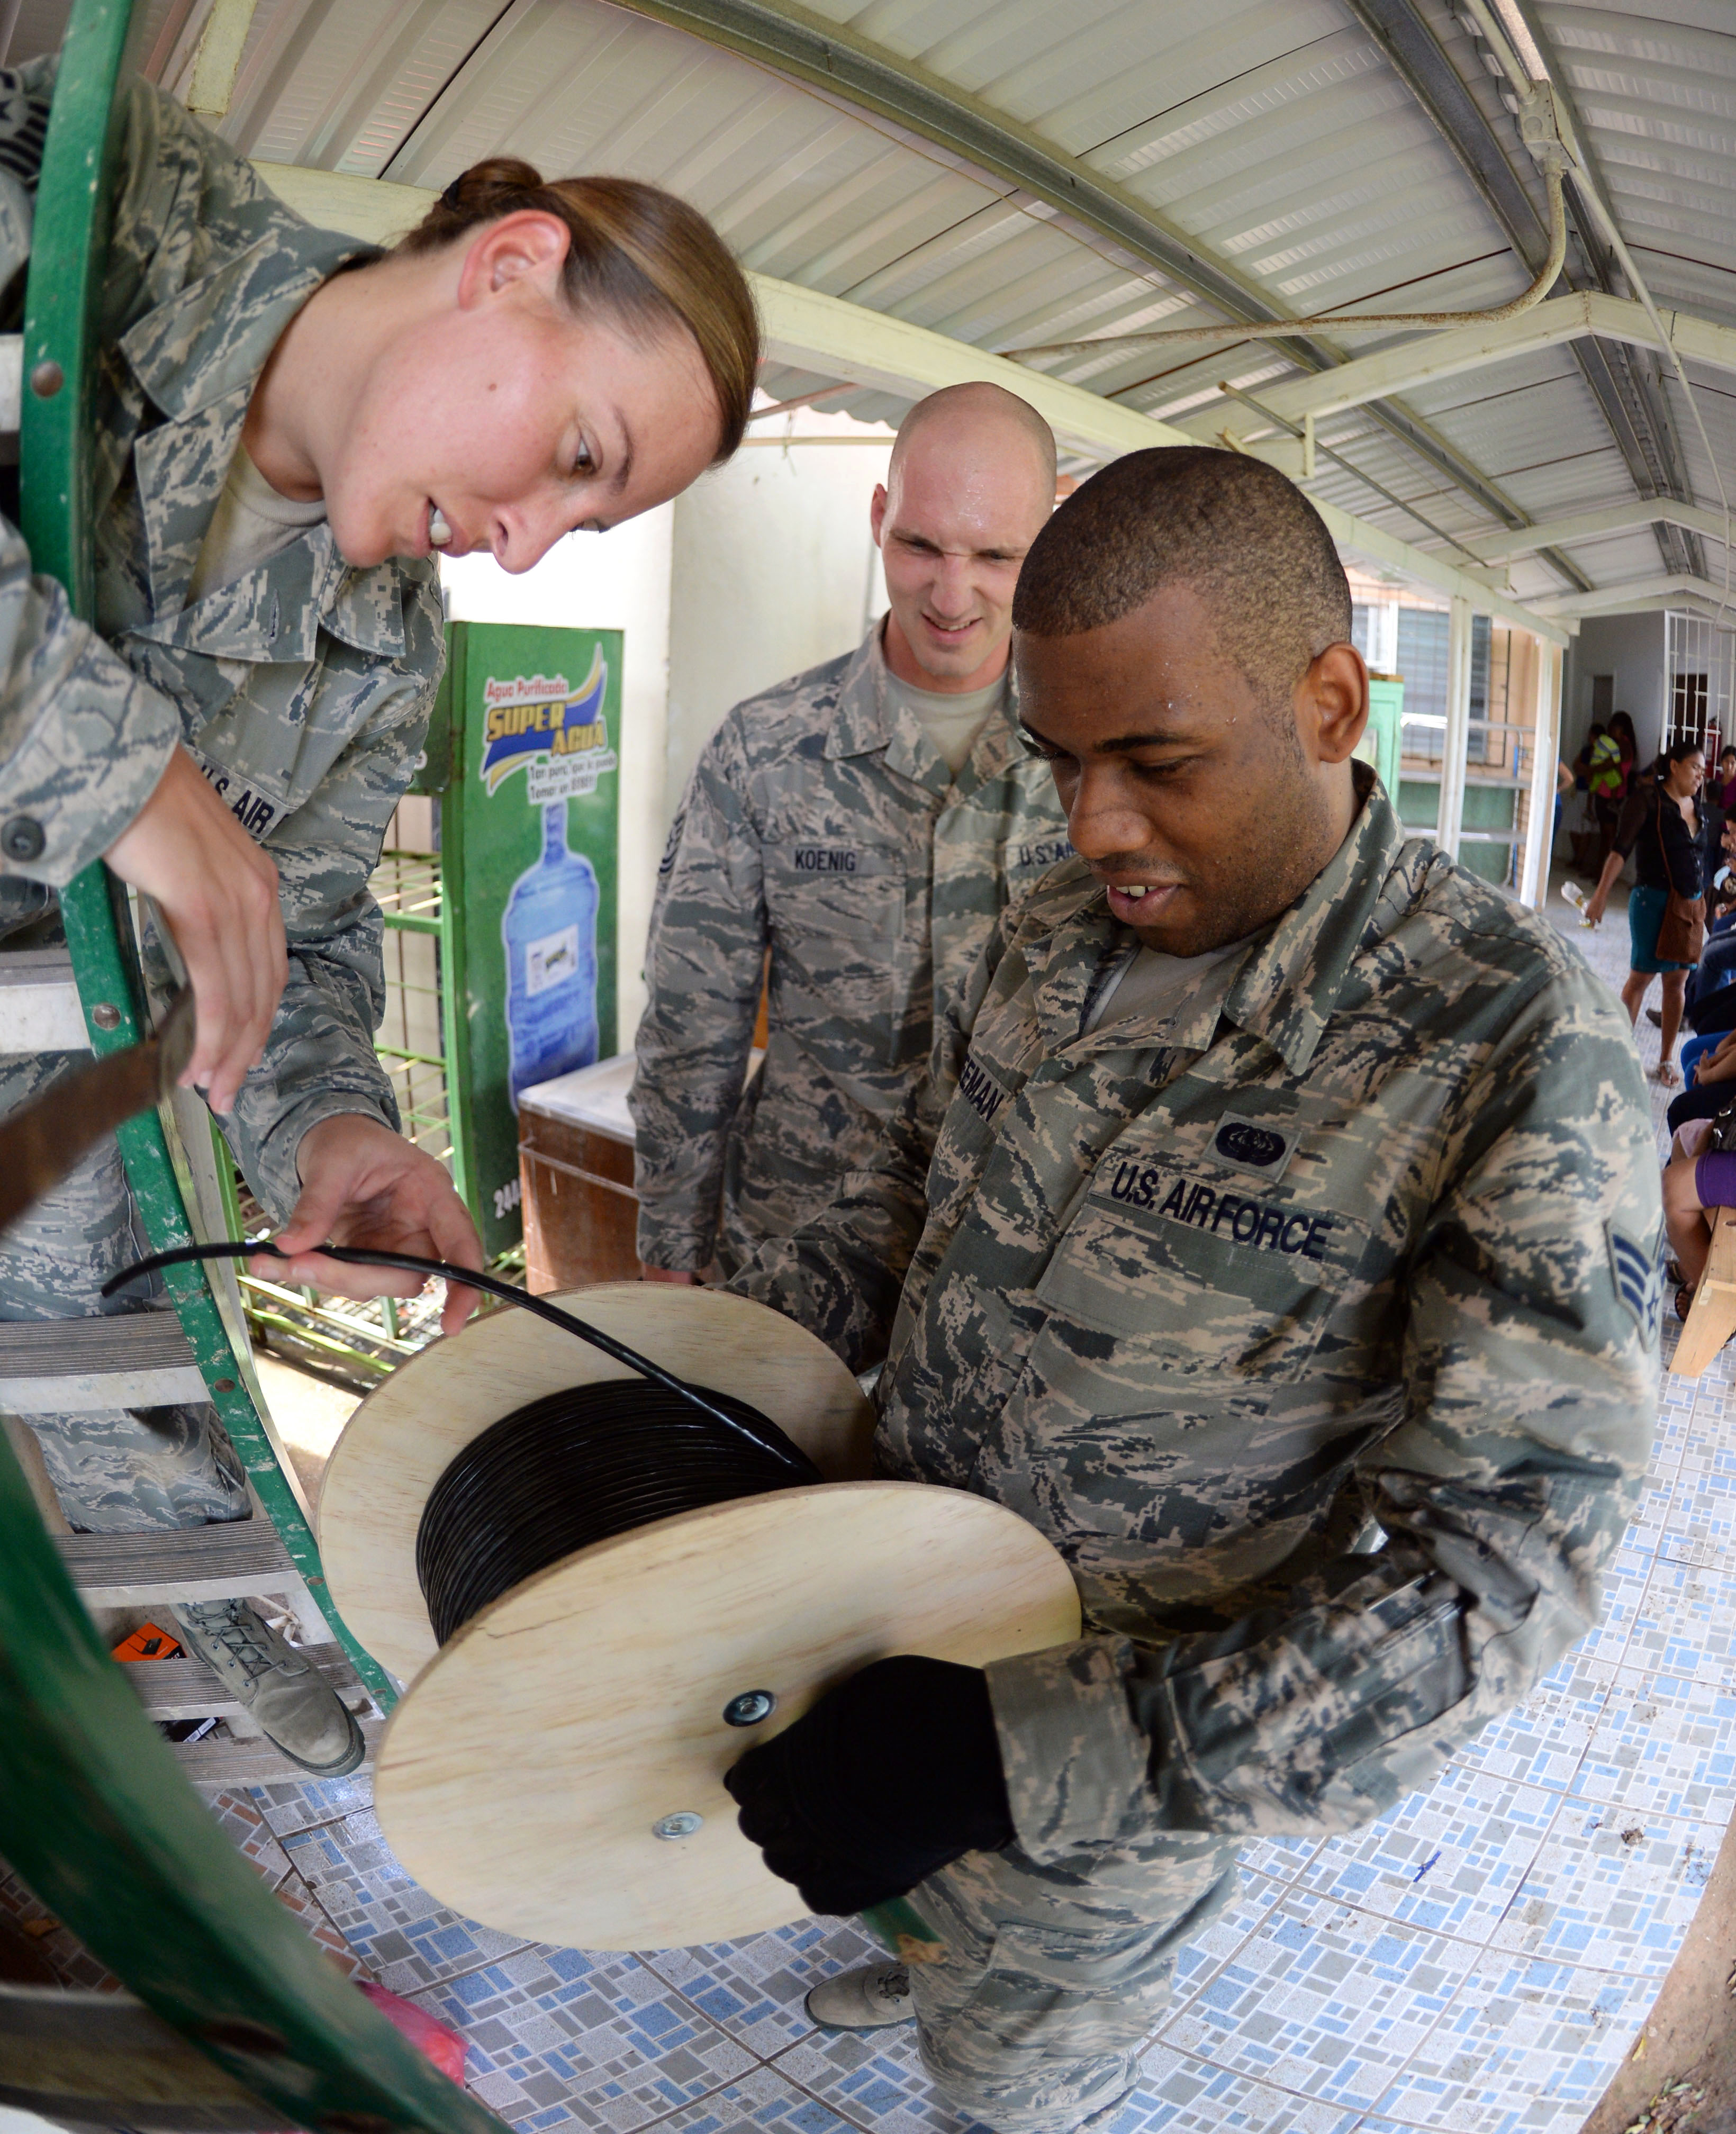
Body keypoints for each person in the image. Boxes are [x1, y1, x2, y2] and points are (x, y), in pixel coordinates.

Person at [719, 447, 1659, 2134]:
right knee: (900, 1910)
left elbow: (1488, 1592)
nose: (1094, 826)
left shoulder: (1506, 1047)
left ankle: (992, 2032)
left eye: (1154, 762)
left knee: (1013, 2091)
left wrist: (1004, 1760)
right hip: (866, 1619)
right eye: (1057, 759)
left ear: (1327, 701)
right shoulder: (1048, 923)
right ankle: (923, 1949)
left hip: (1099, 1769)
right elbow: (923, 1201)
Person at [0, 57, 757, 1770]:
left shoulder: (384, 654)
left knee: (139, 1354)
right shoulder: (112, 208)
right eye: (575, 453)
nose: (525, 545)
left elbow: (303, 944)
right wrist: (126, 773)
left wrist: (333, 1122)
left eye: (591, 515)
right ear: (512, 263)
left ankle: (185, 1613)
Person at [630, 382, 1070, 1281]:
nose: (953, 594)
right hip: (802, 1245)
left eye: (995, 554)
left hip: (1014, 1261)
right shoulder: (764, 749)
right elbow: (692, 1015)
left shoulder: (1097, 752)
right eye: (920, 545)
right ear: (879, 516)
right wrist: (672, 1250)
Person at [1583, 739, 1711, 1084]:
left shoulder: (1697, 805)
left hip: (1690, 907)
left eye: (1703, 770)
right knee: (1641, 978)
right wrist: (1599, 897)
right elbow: (1619, 851)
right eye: (1695, 768)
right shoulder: (1647, 802)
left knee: (1677, 983)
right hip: (1652, 902)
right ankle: (1621, 1053)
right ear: (1674, 766)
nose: (1701, 776)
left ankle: (1666, 1059)